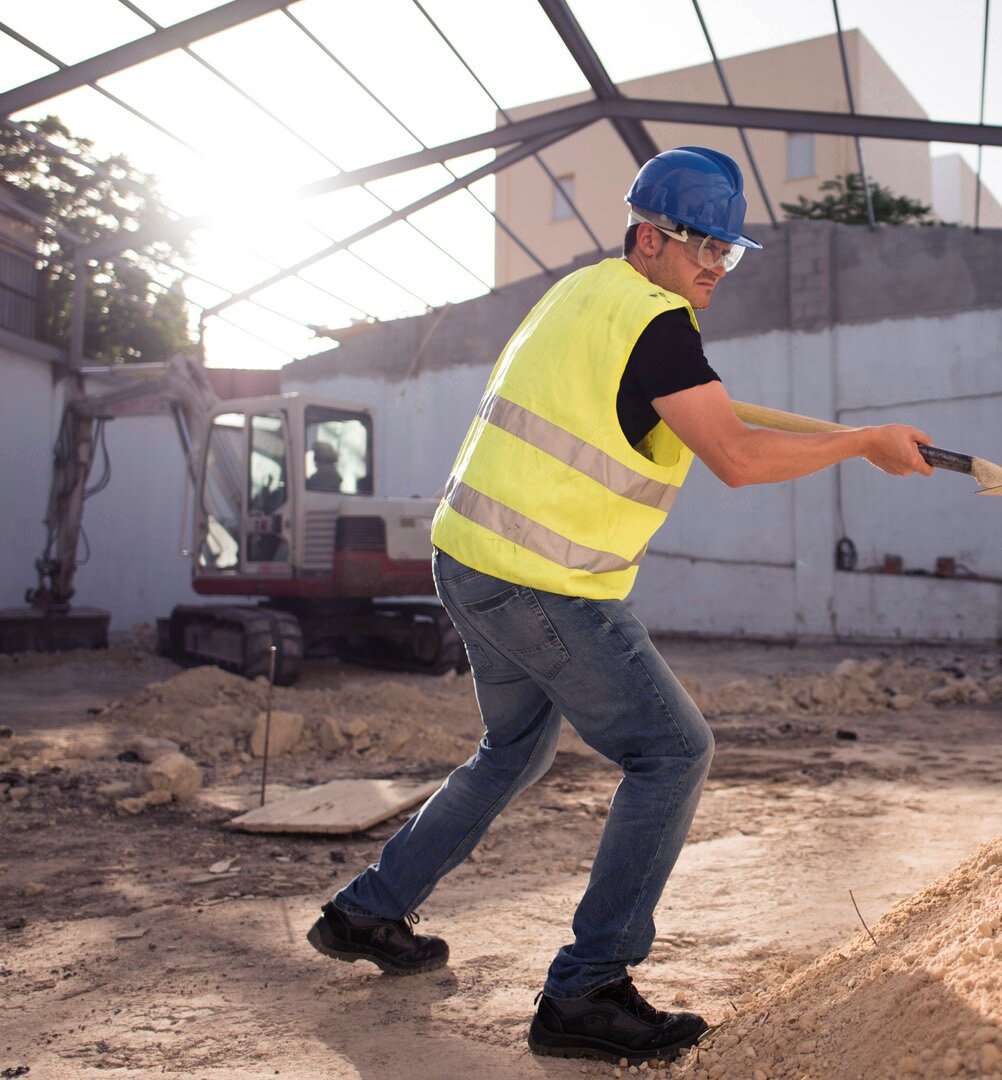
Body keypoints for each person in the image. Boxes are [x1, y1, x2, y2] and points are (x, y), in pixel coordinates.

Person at [306, 146, 933, 1064]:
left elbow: (703, 427)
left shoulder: (582, 297)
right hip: (541, 584)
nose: (716, 265)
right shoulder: (660, 328)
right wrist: (863, 443)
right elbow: (740, 459)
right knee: (673, 751)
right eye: (701, 246)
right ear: (649, 236)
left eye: (727, 250)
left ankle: (366, 910)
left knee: (511, 751)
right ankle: (587, 990)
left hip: (470, 560)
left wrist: (859, 436)